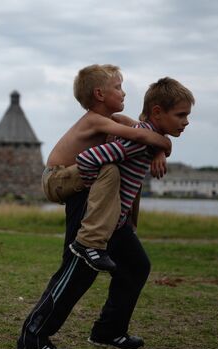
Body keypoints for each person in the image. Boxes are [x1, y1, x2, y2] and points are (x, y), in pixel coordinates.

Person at [13, 77, 195, 349]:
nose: (186, 122)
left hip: (115, 220)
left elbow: (137, 170)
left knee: (135, 266)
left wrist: (161, 148)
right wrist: (88, 186)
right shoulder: (136, 140)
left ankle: (108, 330)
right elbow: (90, 158)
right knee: (77, 274)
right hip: (92, 213)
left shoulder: (144, 138)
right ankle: (32, 338)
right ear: (158, 112)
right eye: (181, 115)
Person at [43, 64, 170, 273]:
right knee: (111, 169)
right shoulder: (94, 120)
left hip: (73, 175)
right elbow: (141, 136)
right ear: (100, 94)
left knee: (123, 166)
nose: (124, 92)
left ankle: (126, 225)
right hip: (57, 178)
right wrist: (166, 146)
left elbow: (147, 132)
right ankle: (88, 243)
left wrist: (158, 151)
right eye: (118, 87)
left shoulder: (112, 120)